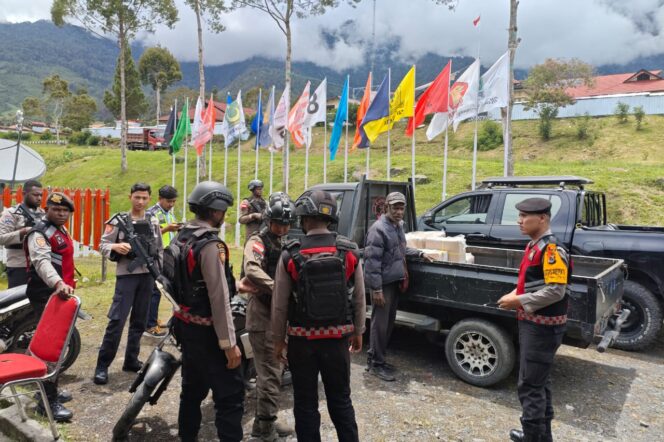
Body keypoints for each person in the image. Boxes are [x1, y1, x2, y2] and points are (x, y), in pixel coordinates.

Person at [272, 189, 366, 442]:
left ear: (303, 218)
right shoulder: (349, 251)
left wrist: (278, 340)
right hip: (337, 341)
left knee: (305, 403)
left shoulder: (289, 254)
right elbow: (359, 298)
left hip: (301, 343)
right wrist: (358, 331)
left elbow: (279, 305)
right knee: (341, 400)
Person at [173, 181, 244, 442]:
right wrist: (229, 344)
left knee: (191, 391)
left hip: (186, 326)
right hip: (209, 333)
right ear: (216, 211)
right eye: (223, 210)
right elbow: (218, 297)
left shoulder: (182, 236)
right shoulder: (211, 245)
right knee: (230, 397)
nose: (224, 216)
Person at [497, 197, 571, 442]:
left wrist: (518, 301)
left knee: (530, 385)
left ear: (542, 218)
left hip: (542, 328)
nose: (519, 221)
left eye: (524, 217)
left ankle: (532, 437)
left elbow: (555, 290)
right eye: (518, 216)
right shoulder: (534, 246)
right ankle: (541, 436)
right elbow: (535, 284)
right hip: (534, 324)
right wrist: (516, 294)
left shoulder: (551, 250)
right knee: (539, 383)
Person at [239, 192, 295, 441]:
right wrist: (278, 287)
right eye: (278, 223)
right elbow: (251, 269)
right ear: (269, 221)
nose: (282, 228)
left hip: (279, 317)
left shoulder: (285, 242)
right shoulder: (257, 241)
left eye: (286, 224)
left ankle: (268, 418)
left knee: (275, 372)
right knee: (270, 374)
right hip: (263, 317)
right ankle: (262, 430)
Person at [93, 183, 162, 385]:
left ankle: (131, 360)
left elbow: (158, 249)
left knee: (139, 321)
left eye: (144, 198)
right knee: (117, 321)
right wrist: (115, 246)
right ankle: (102, 365)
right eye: (137, 197)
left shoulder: (153, 220)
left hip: (147, 277)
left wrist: (158, 273)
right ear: (130, 196)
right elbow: (102, 244)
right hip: (127, 277)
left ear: (149, 199)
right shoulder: (118, 221)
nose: (140, 202)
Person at [364, 191, 435, 381]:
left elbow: (400, 249)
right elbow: (371, 262)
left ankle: (379, 358)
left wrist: (419, 253)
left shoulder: (397, 226)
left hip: (394, 282)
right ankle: (375, 363)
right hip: (383, 285)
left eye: (401, 208)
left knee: (387, 324)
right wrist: (376, 289)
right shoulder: (378, 229)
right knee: (379, 325)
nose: (399, 211)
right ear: (386, 207)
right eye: (395, 207)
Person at [24, 192, 76, 421]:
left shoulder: (59, 230)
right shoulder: (39, 233)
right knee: (50, 350)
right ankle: (46, 404)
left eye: (65, 211)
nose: (62, 214)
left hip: (61, 296)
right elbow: (42, 261)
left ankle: (51, 390)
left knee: (60, 346)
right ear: (47, 209)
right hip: (48, 295)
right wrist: (58, 283)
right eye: (57, 210)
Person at [144, 185, 181, 337]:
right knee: (155, 291)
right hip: (156, 256)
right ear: (160, 199)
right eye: (169, 201)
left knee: (167, 290)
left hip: (168, 256)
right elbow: (147, 234)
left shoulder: (170, 215)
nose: (171, 204)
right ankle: (150, 324)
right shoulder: (151, 213)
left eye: (174, 201)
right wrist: (167, 229)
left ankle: (156, 320)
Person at [0, 179, 45, 287]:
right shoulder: (11, 213)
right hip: (19, 266)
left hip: (40, 264)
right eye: (35, 195)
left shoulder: (43, 214)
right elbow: (1, 238)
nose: (39, 198)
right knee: (19, 301)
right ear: (24, 194)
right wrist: (22, 232)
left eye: (41, 195)